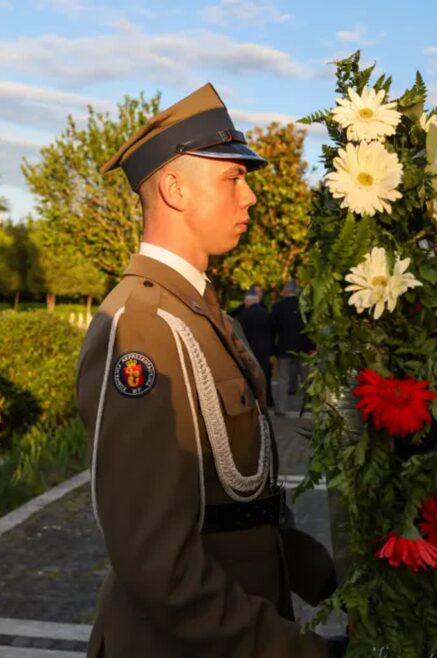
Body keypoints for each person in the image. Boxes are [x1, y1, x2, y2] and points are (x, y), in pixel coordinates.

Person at [76, 83, 344, 657]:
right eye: (232, 178)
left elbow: (240, 507)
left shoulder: (198, 312)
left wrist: (331, 580)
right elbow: (159, 564)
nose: (250, 197)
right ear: (174, 188)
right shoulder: (142, 326)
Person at [270, 280, 313, 417]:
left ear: (286, 291)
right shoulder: (304, 306)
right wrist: (312, 347)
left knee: (283, 379)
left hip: (284, 348)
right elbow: (310, 328)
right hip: (303, 348)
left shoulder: (278, 307)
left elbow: (273, 328)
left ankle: (281, 408)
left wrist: (273, 347)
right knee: (305, 379)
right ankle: (308, 406)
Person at [237, 286, 275, 407]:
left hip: (249, 350)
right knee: (264, 376)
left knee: (251, 376)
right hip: (264, 350)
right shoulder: (265, 313)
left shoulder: (243, 315)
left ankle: (254, 401)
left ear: (247, 300)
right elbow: (272, 332)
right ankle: (266, 400)